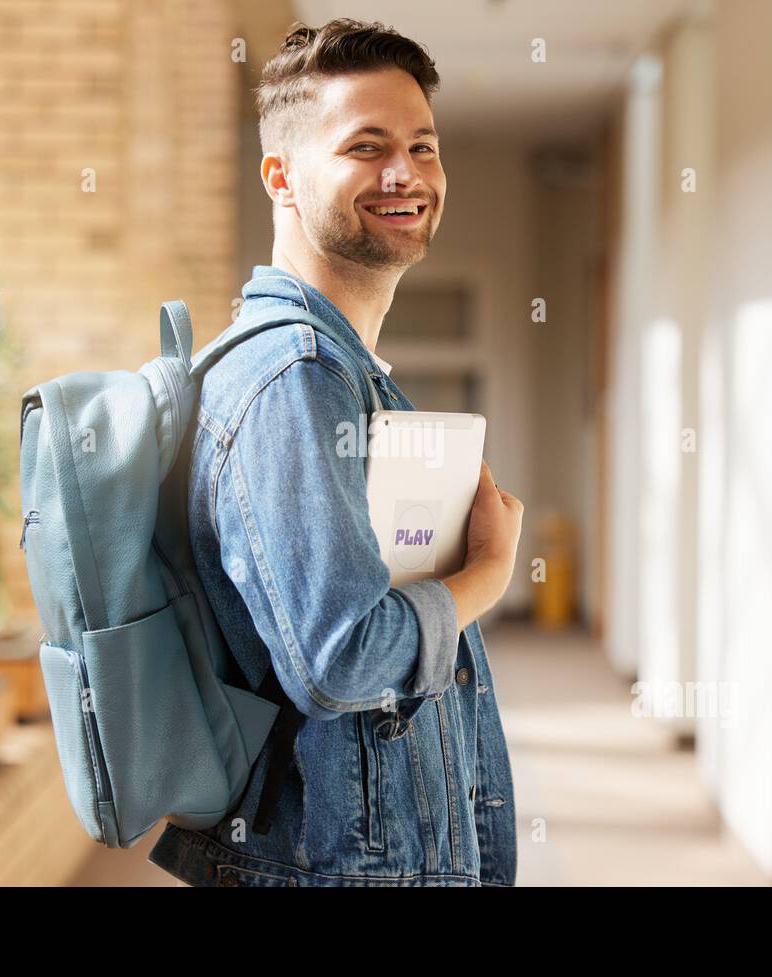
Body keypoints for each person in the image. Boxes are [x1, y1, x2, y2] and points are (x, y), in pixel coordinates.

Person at [146, 17, 524, 887]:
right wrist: (486, 576)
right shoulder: (296, 376)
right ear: (280, 177)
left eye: (423, 147)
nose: (407, 174)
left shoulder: (342, 372)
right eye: (367, 146)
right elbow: (340, 657)